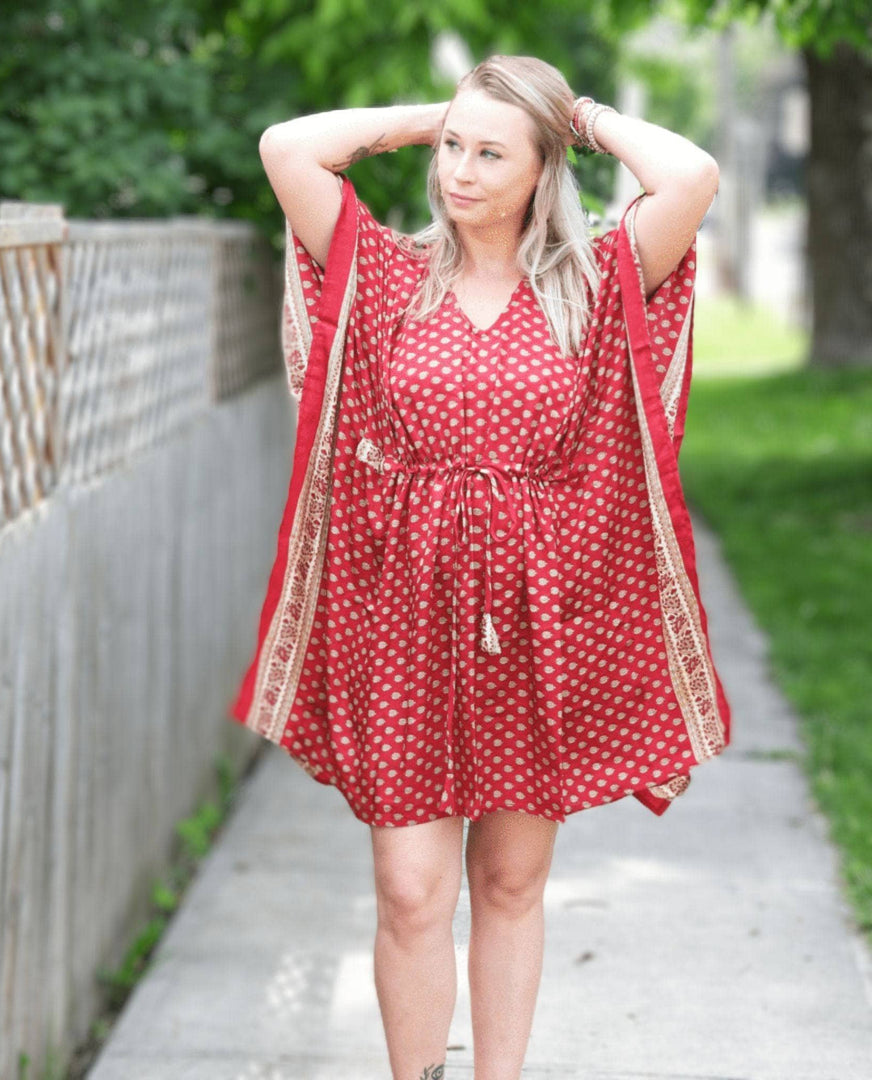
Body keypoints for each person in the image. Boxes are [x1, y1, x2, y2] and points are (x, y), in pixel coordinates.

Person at [230, 54, 731, 1080]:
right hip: (402, 615)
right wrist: (441, 113)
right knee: (412, 889)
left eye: (491, 152)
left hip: (532, 619)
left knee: (508, 884)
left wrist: (573, 113)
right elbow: (289, 148)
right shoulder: (383, 272)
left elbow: (689, 176)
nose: (459, 170)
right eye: (453, 148)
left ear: (545, 167)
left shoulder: (597, 277)